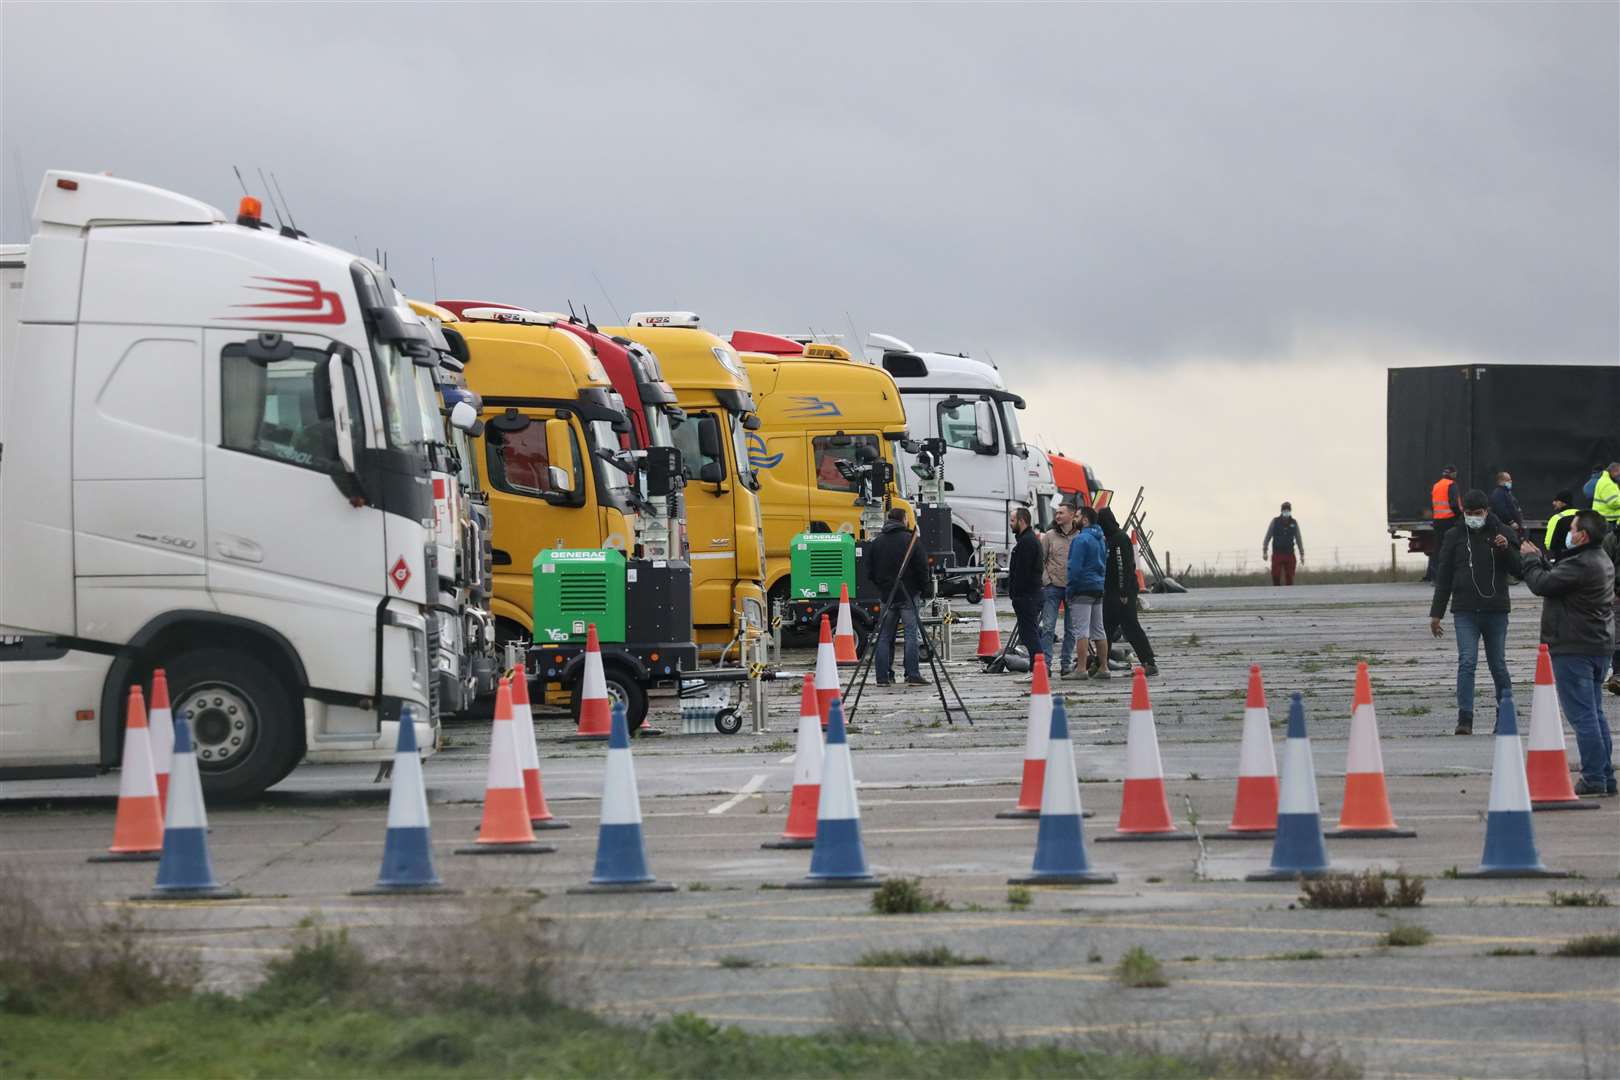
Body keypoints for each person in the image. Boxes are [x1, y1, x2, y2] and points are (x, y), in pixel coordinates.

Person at [1515, 510, 1616, 796]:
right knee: (1594, 713)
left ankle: (1594, 777)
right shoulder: (1599, 559)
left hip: (1574, 647)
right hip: (1597, 645)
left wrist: (1532, 560)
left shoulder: (1582, 564)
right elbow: (1560, 581)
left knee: (1583, 716)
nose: (1569, 534)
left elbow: (1542, 585)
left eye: (1572, 529)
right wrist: (1543, 562)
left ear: (1582, 535)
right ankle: (1605, 776)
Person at [1428, 490, 1516, 735]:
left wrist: (1506, 549)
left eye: (1478, 514)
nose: (1474, 518)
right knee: (1467, 662)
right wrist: (1436, 613)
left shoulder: (1503, 533)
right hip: (1465, 611)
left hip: (1496, 610)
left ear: (1486, 511)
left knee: (1497, 663)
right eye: (1469, 514)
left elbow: (1519, 570)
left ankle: (1505, 713)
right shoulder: (1454, 536)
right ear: (1463, 512)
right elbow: (1443, 576)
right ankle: (1465, 717)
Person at [867, 507, 929, 687]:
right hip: (909, 595)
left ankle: (883, 676)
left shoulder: (877, 542)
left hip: (887, 596)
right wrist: (923, 589)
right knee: (910, 634)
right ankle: (912, 674)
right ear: (903, 520)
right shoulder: (910, 540)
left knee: (884, 636)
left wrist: (882, 586)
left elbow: (869, 570)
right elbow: (922, 567)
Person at [1100, 507, 1158, 677]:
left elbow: (1122, 567)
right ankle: (1101, 663)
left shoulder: (1119, 539)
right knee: (1106, 630)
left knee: (1131, 627)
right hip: (1111, 591)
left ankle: (1149, 662)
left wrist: (1123, 592)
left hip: (1121, 592)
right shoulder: (1110, 538)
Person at [1039, 500, 1081, 675]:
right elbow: (1040, 560)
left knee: (1071, 630)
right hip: (1052, 588)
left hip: (1073, 589)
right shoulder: (1048, 536)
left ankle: (1066, 665)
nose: (1057, 516)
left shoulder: (1080, 536)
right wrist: (1046, 580)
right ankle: (1046, 665)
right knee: (1048, 627)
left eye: (1061, 513)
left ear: (1072, 515)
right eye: (1056, 513)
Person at [1066, 505, 1108, 680]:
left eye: (1076, 516)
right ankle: (1104, 668)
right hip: (1098, 587)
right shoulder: (1100, 539)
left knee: (1081, 631)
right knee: (1099, 629)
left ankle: (1081, 669)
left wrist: (1070, 589)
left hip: (1082, 588)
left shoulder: (1080, 539)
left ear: (1085, 520)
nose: (1073, 519)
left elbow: (1074, 568)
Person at [1007, 506, 1044, 672]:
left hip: (1028, 596)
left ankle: (1039, 669)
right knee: (1028, 634)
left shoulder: (1027, 542)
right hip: (1029, 595)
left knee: (1030, 635)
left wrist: (1017, 594)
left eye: (1013, 520)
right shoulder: (1026, 540)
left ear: (1022, 521)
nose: (1010, 524)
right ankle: (1036, 668)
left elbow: (1023, 572)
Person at [1423, 465, 1462, 584]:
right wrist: (1460, 517)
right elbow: (1454, 504)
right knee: (1452, 548)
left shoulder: (1436, 485)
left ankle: (1435, 578)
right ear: (1453, 474)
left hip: (1438, 521)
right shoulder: (1451, 485)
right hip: (1449, 521)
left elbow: (1434, 505)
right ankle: (1451, 576)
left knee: (1438, 549)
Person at [1262, 502, 1305, 586]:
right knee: (1275, 575)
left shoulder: (1294, 523)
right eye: (1284, 510)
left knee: (1290, 575)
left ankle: (1289, 595)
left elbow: (1299, 538)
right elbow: (1267, 536)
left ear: (1290, 511)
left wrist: (1302, 554)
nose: (1286, 512)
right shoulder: (1275, 522)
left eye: (1288, 510)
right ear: (1281, 511)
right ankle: (1276, 594)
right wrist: (1265, 551)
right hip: (1277, 553)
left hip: (1289, 553)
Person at [1488, 471, 1525, 538]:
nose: (1511, 481)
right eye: (1508, 480)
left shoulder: (1507, 493)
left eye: (1510, 480)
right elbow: (1501, 510)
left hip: (1514, 528)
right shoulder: (1498, 493)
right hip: (1506, 529)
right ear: (1500, 481)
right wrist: (1511, 522)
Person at [1545, 491, 1579, 556]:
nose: (1553, 503)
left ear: (1563, 503)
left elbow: (1549, 544)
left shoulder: (1556, 518)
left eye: (1556, 501)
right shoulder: (1582, 515)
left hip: (1562, 557)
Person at [1593, 462, 1620, 526]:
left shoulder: (1609, 481)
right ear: (1613, 471)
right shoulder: (1607, 483)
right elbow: (1613, 502)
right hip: (1608, 521)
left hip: (1606, 519)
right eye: (1619, 473)